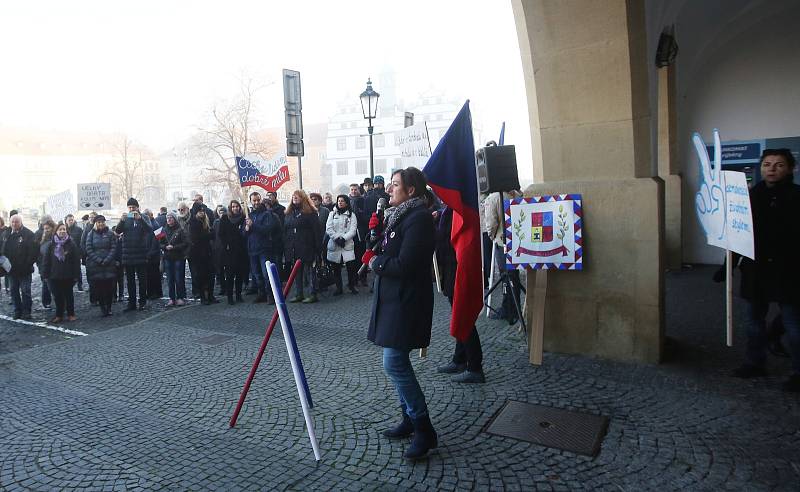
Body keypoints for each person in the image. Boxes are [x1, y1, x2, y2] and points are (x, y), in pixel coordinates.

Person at [362, 167, 438, 460]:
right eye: (391, 184)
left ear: (411, 191)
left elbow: (405, 264)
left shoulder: (417, 219)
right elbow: (389, 247)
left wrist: (376, 263)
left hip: (408, 302)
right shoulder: (401, 215)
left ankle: (424, 428)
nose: (389, 190)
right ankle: (408, 418)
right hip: (395, 301)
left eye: (395, 185)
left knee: (394, 363)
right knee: (395, 362)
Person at [732, 149, 800, 393]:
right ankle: (754, 362)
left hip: (789, 271)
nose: (772, 169)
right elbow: (738, 234)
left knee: (794, 324)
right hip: (756, 270)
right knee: (753, 321)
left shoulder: (796, 196)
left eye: (779, 164)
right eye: (767, 164)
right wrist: (728, 264)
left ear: (790, 168)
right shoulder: (749, 198)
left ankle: (797, 372)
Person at [434, 206, 485, 383]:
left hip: (456, 267)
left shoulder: (459, 207)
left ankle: (475, 366)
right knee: (458, 313)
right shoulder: (449, 209)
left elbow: (446, 238)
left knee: (463, 314)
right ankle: (460, 358)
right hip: (451, 267)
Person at [485, 189, 523, 324]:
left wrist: (492, 237)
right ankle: (515, 307)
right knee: (514, 276)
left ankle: (508, 310)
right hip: (518, 240)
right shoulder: (517, 194)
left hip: (502, 241)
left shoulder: (493, 198)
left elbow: (491, 223)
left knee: (506, 276)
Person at [284, 190, 322, 303]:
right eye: (293, 196)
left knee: (310, 271)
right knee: (297, 272)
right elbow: (286, 230)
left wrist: (318, 248)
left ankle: (312, 293)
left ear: (303, 198)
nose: (294, 198)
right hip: (294, 247)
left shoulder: (310, 213)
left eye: (297, 196)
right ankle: (299, 293)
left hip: (307, 246)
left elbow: (317, 231)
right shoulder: (289, 213)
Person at [244, 191, 282, 303]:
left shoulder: (267, 214)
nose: (256, 202)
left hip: (264, 249)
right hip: (252, 249)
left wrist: (253, 225)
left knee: (266, 274)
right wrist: (246, 229)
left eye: (257, 200)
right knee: (257, 274)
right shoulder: (249, 215)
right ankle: (262, 294)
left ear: (260, 200)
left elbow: (267, 229)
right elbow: (244, 233)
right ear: (250, 201)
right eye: (253, 200)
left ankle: (270, 294)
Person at [116, 198, 152, 311]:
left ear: (137, 207)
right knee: (130, 281)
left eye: (133, 207)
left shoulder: (144, 217)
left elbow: (149, 230)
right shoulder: (126, 218)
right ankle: (131, 303)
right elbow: (117, 231)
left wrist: (140, 219)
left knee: (142, 280)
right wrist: (121, 221)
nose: (131, 209)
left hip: (141, 253)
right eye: (130, 207)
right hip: (128, 254)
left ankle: (142, 302)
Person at [41, 223, 81, 323]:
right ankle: (59, 315)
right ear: (56, 231)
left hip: (68, 275)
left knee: (69, 295)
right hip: (54, 275)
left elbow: (76, 261)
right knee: (57, 296)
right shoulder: (51, 244)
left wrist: (76, 275)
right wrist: (45, 274)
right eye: (60, 229)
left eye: (64, 229)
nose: (62, 231)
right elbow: (46, 261)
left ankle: (71, 314)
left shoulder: (71, 244)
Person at [2, 215, 38, 319]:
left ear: (21, 222)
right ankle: (17, 310)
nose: (14, 224)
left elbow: (33, 252)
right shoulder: (6, 234)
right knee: (13, 291)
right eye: (12, 222)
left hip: (25, 270)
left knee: (26, 291)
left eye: (16, 222)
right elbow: (3, 249)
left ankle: (27, 311)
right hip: (11, 270)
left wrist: (27, 264)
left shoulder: (29, 234)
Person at [84, 215, 117, 316]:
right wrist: (98, 260)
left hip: (109, 265)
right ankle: (103, 308)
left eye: (102, 222)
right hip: (96, 266)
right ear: (95, 223)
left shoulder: (110, 233)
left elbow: (114, 247)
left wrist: (107, 259)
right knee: (100, 288)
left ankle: (109, 307)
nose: (101, 224)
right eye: (98, 222)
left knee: (109, 288)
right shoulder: (91, 234)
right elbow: (89, 249)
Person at [326, 194, 359, 296]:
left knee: (350, 267)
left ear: (346, 202)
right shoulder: (332, 214)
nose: (340, 202)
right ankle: (338, 288)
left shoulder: (352, 215)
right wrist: (336, 238)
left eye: (342, 201)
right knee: (336, 267)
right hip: (335, 243)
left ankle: (352, 285)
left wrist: (344, 238)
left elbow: (353, 230)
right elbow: (328, 228)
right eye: (339, 201)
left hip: (347, 244)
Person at [217, 200, 248, 305]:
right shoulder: (225, 218)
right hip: (229, 251)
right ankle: (230, 296)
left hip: (240, 250)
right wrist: (226, 244)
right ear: (230, 208)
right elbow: (221, 234)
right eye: (233, 207)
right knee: (230, 275)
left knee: (240, 274)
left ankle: (238, 295)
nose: (235, 208)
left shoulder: (244, 218)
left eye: (237, 206)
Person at [187, 202, 216, 305]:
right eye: (200, 211)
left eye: (203, 211)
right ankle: (203, 297)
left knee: (210, 275)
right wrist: (209, 235)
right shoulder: (193, 223)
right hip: (198, 254)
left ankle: (211, 295)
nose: (202, 213)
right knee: (201, 276)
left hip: (207, 252)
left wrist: (210, 235)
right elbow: (197, 238)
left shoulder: (205, 221)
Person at [161, 212, 188, 306]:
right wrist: (165, 247)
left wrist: (174, 247)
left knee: (178, 278)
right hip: (168, 257)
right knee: (170, 279)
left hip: (178, 257)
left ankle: (180, 297)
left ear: (174, 219)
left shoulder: (180, 230)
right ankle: (171, 298)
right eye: (167, 218)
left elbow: (185, 243)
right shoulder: (163, 230)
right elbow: (160, 243)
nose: (168, 219)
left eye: (171, 218)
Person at [37, 218, 57, 309]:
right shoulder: (43, 240)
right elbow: (39, 254)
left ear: (53, 228)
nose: (46, 230)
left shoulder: (57, 238)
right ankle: (46, 302)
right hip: (45, 266)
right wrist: (40, 265)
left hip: (56, 267)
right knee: (45, 285)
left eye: (48, 228)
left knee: (57, 287)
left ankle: (60, 304)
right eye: (45, 228)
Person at [64, 214, 84, 291]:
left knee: (77, 269)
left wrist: (80, 253)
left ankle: (80, 285)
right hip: (66, 254)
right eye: (69, 220)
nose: (71, 221)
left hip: (76, 253)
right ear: (66, 221)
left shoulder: (78, 230)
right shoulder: (63, 229)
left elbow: (81, 242)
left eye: (72, 220)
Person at [212, 205, 227, 296]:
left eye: (223, 212)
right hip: (217, 249)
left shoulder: (229, 221)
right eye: (220, 212)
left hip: (226, 249)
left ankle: (228, 287)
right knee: (220, 270)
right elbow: (214, 235)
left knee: (228, 270)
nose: (221, 214)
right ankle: (223, 287)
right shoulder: (216, 222)